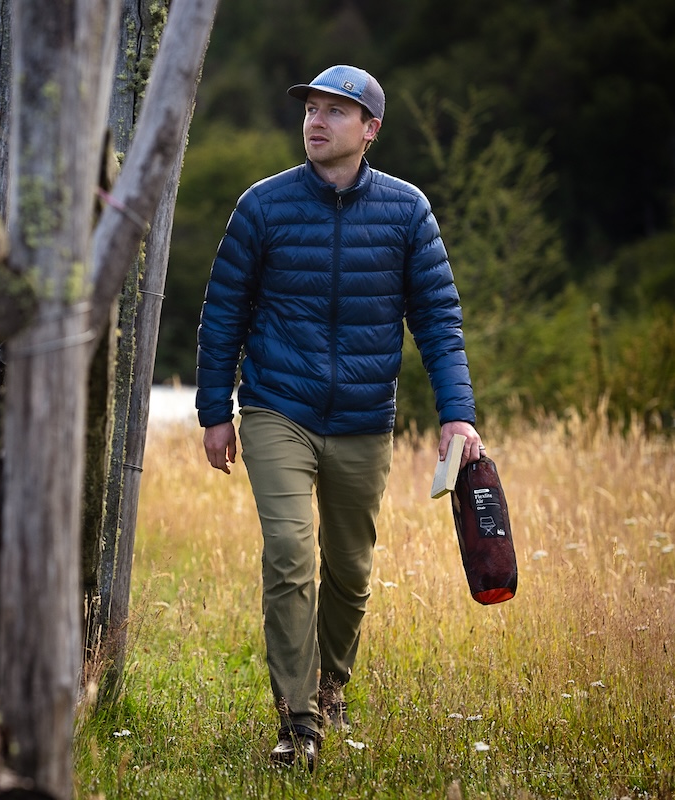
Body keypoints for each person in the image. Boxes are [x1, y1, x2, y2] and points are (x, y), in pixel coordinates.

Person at [195, 64, 484, 770]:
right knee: (291, 556)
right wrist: (214, 410)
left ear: (370, 130)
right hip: (276, 408)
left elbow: (439, 321)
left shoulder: (408, 212)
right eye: (311, 109)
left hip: (362, 418)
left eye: (336, 111)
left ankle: (329, 691)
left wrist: (457, 414)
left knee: (351, 571)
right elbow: (223, 313)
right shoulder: (262, 207)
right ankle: (298, 724)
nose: (316, 121)